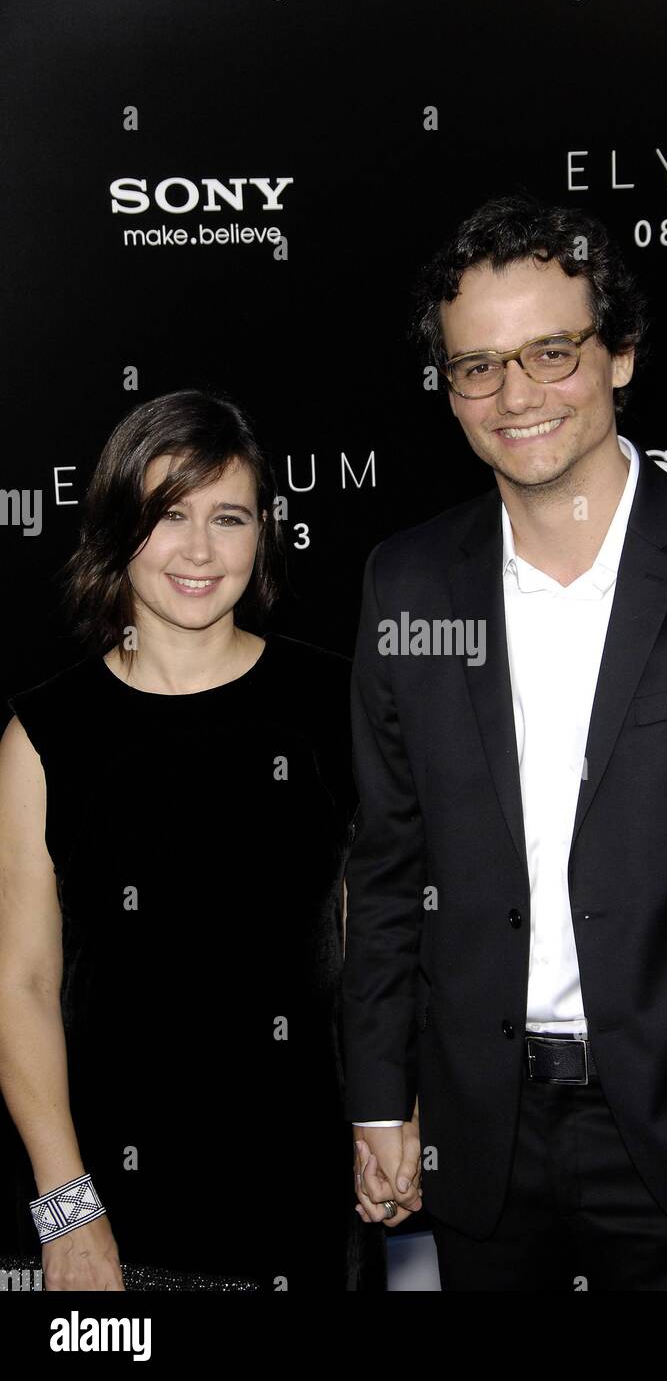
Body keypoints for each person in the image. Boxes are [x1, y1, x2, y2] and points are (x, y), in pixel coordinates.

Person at [341, 194, 667, 1289]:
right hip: (477, 1136)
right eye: (476, 365)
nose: (514, 395)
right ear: (446, 385)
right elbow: (389, 866)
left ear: (618, 353)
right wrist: (382, 1097)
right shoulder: (407, 580)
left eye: (549, 351)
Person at [0, 389, 366, 1290]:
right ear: (117, 527)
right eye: (167, 516)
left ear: (261, 535)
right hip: (111, 1215)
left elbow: (378, 952)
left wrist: (392, 1117)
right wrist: (68, 1204)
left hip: (306, 1196)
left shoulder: (335, 705)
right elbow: (23, 986)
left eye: (228, 517)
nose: (199, 551)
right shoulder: (45, 734)